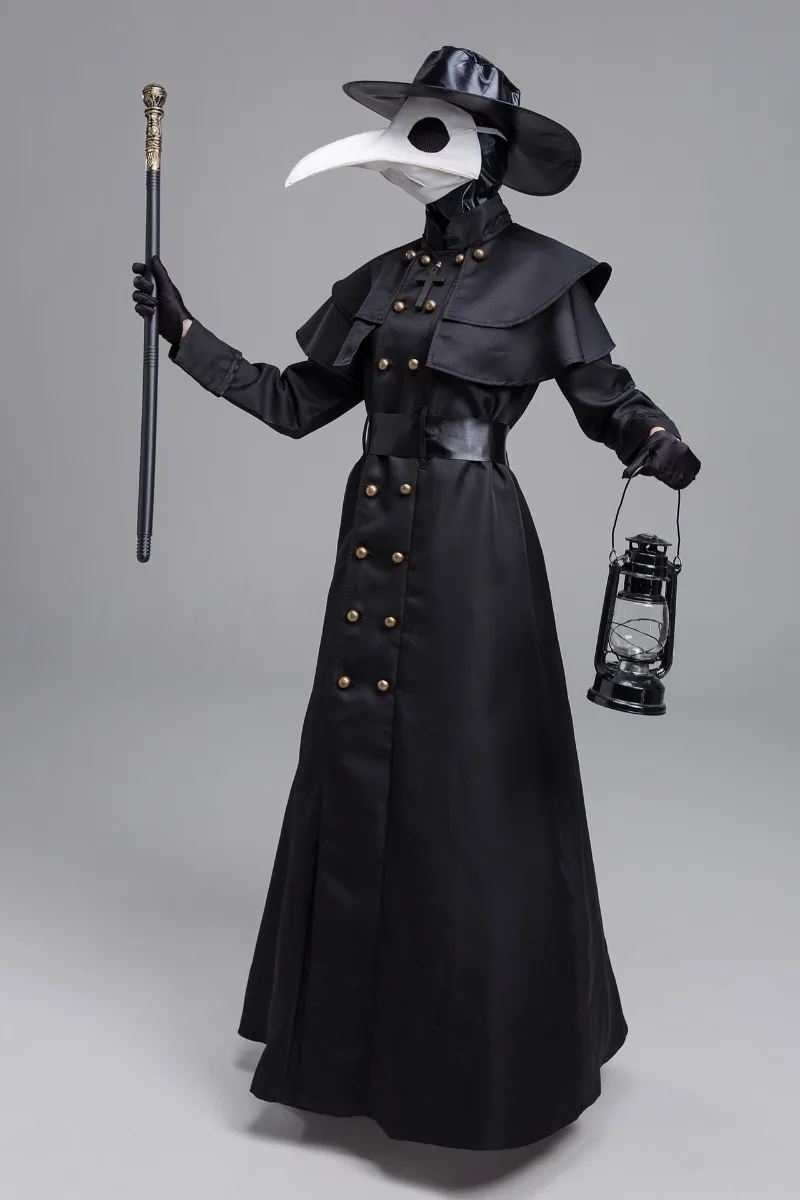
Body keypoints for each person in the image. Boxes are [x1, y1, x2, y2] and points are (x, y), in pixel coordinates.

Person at [131, 46, 700, 1152]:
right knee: (359, 774)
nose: (401, 156)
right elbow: (297, 402)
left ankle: (481, 1073)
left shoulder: (541, 276)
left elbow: (603, 395)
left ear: (484, 153)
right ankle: (353, 1055)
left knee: (466, 790)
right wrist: (184, 338)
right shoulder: (381, 280)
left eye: (427, 132)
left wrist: (653, 439)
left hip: (473, 555)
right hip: (373, 547)